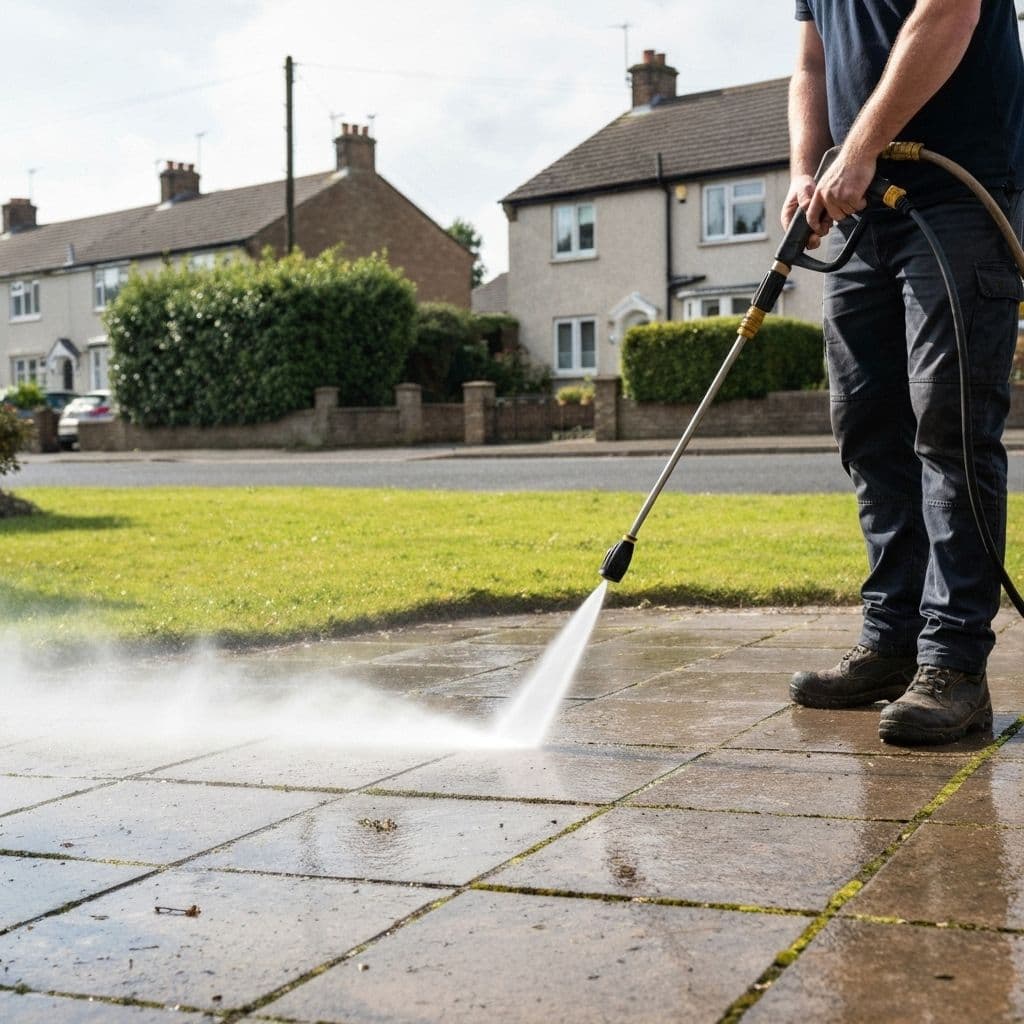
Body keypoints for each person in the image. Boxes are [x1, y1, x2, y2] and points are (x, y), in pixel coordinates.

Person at [785, 0, 1024, 744]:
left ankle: (953, 666)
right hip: (859, 213)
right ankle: (891, 644)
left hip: (960, 195)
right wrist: (805, 168)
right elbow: (813, 61)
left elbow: (948, 11)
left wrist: (859, 148)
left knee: (947, 429)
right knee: (867, 429)